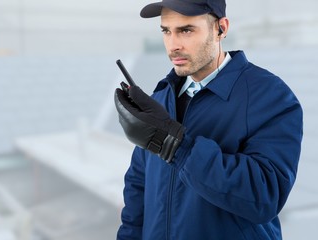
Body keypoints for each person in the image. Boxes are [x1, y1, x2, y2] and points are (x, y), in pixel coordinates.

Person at [113, 0, 303, 239]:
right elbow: (137, 191)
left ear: (221, 28)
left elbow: (265, 197)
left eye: (186, 30)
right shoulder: (160, 99)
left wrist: (174, 145)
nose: (173, 45)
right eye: (166, 31)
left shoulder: (270, 95)